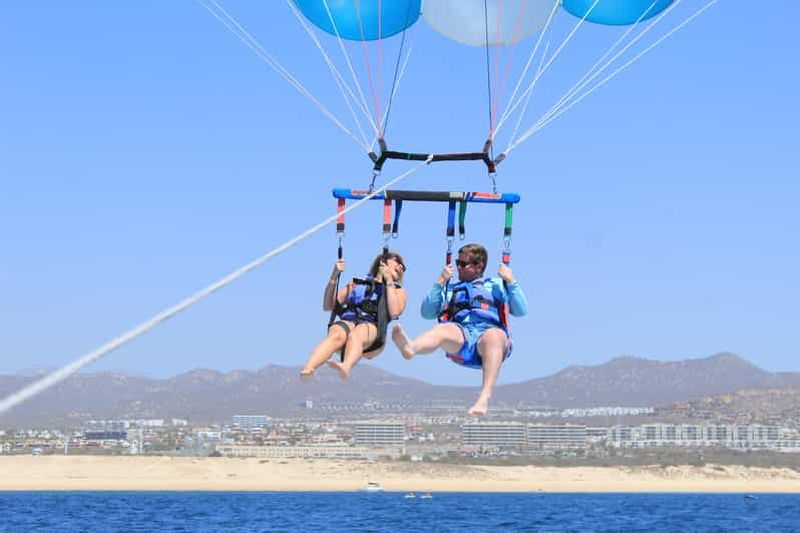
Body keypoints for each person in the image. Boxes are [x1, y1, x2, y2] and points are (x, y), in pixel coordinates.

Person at [391, 243, 527, 415]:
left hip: (489, 337)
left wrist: (511, 281)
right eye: (458, 263)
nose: (458, 268)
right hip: (462, 336)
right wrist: (440, 281)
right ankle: (411, 347)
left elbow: (521, 310)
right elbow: (427, 312)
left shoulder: (497, 285)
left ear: (479, 266)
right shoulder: (451, 288)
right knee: (443, 329)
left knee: (494, 336)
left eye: (463, 264)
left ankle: (483, 399)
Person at [301, 251, 407, 380]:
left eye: (403, 267)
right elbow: (328, 306)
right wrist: (334, 276)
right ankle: (308, 369)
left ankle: (346, 366)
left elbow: (395, 311)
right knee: (337, 334)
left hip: (373, 332)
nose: (401, 267)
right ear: (382, 262)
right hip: (349, 322)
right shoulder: (357, 283)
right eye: (397, 261)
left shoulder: (397, 291)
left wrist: (389, 281)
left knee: (357, 333)